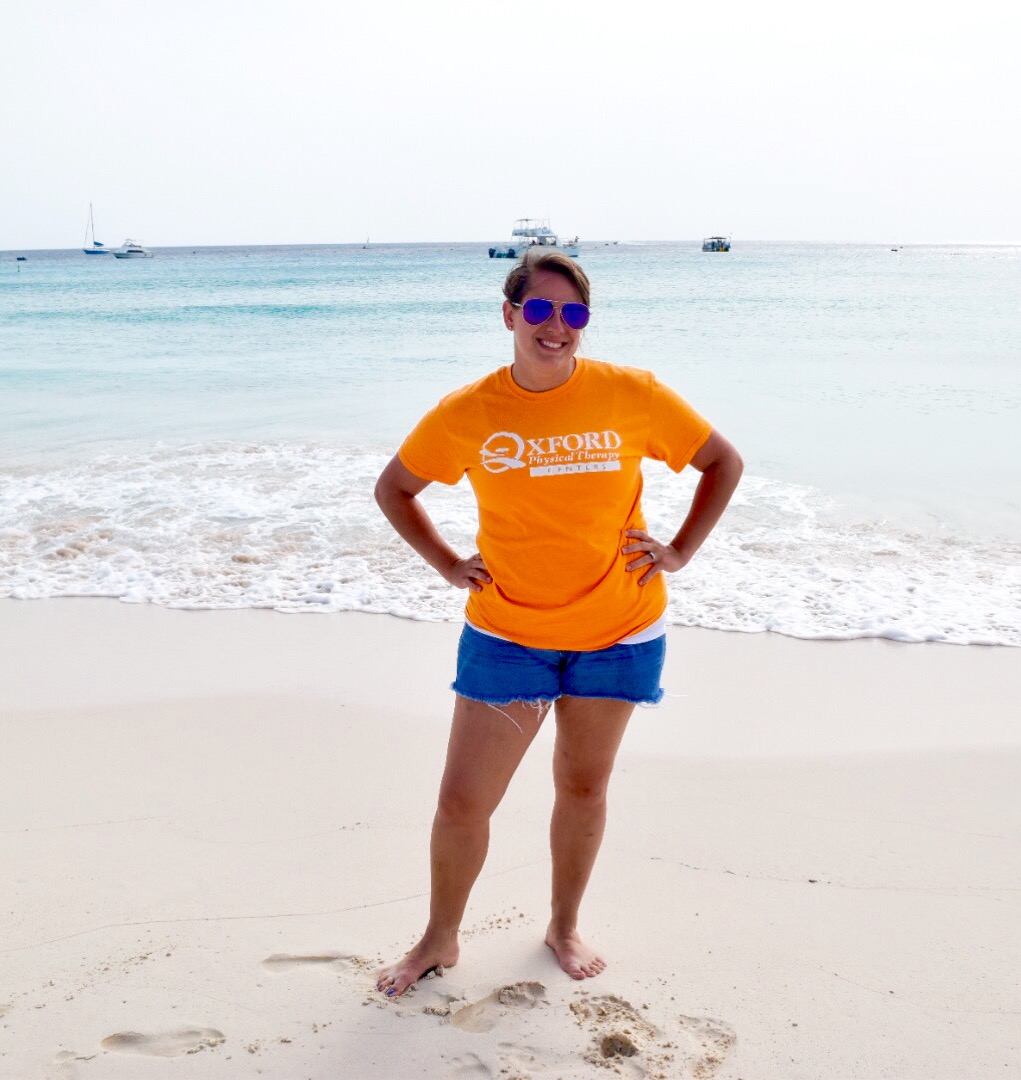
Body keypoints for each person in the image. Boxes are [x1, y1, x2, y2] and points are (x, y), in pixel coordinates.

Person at [374, 249, 743, 998]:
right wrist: (449, 566)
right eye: (538, 309)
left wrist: (677, 552)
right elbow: (396, 489)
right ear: (509, 315)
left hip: (619, 633)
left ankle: (563, 925)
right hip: (508, 634)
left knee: (581, 788)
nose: (555, 327)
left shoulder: (630, 394)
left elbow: (720, 461)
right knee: (462, 801)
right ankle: (440, 938)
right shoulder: (468, 413)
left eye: (572, 313)